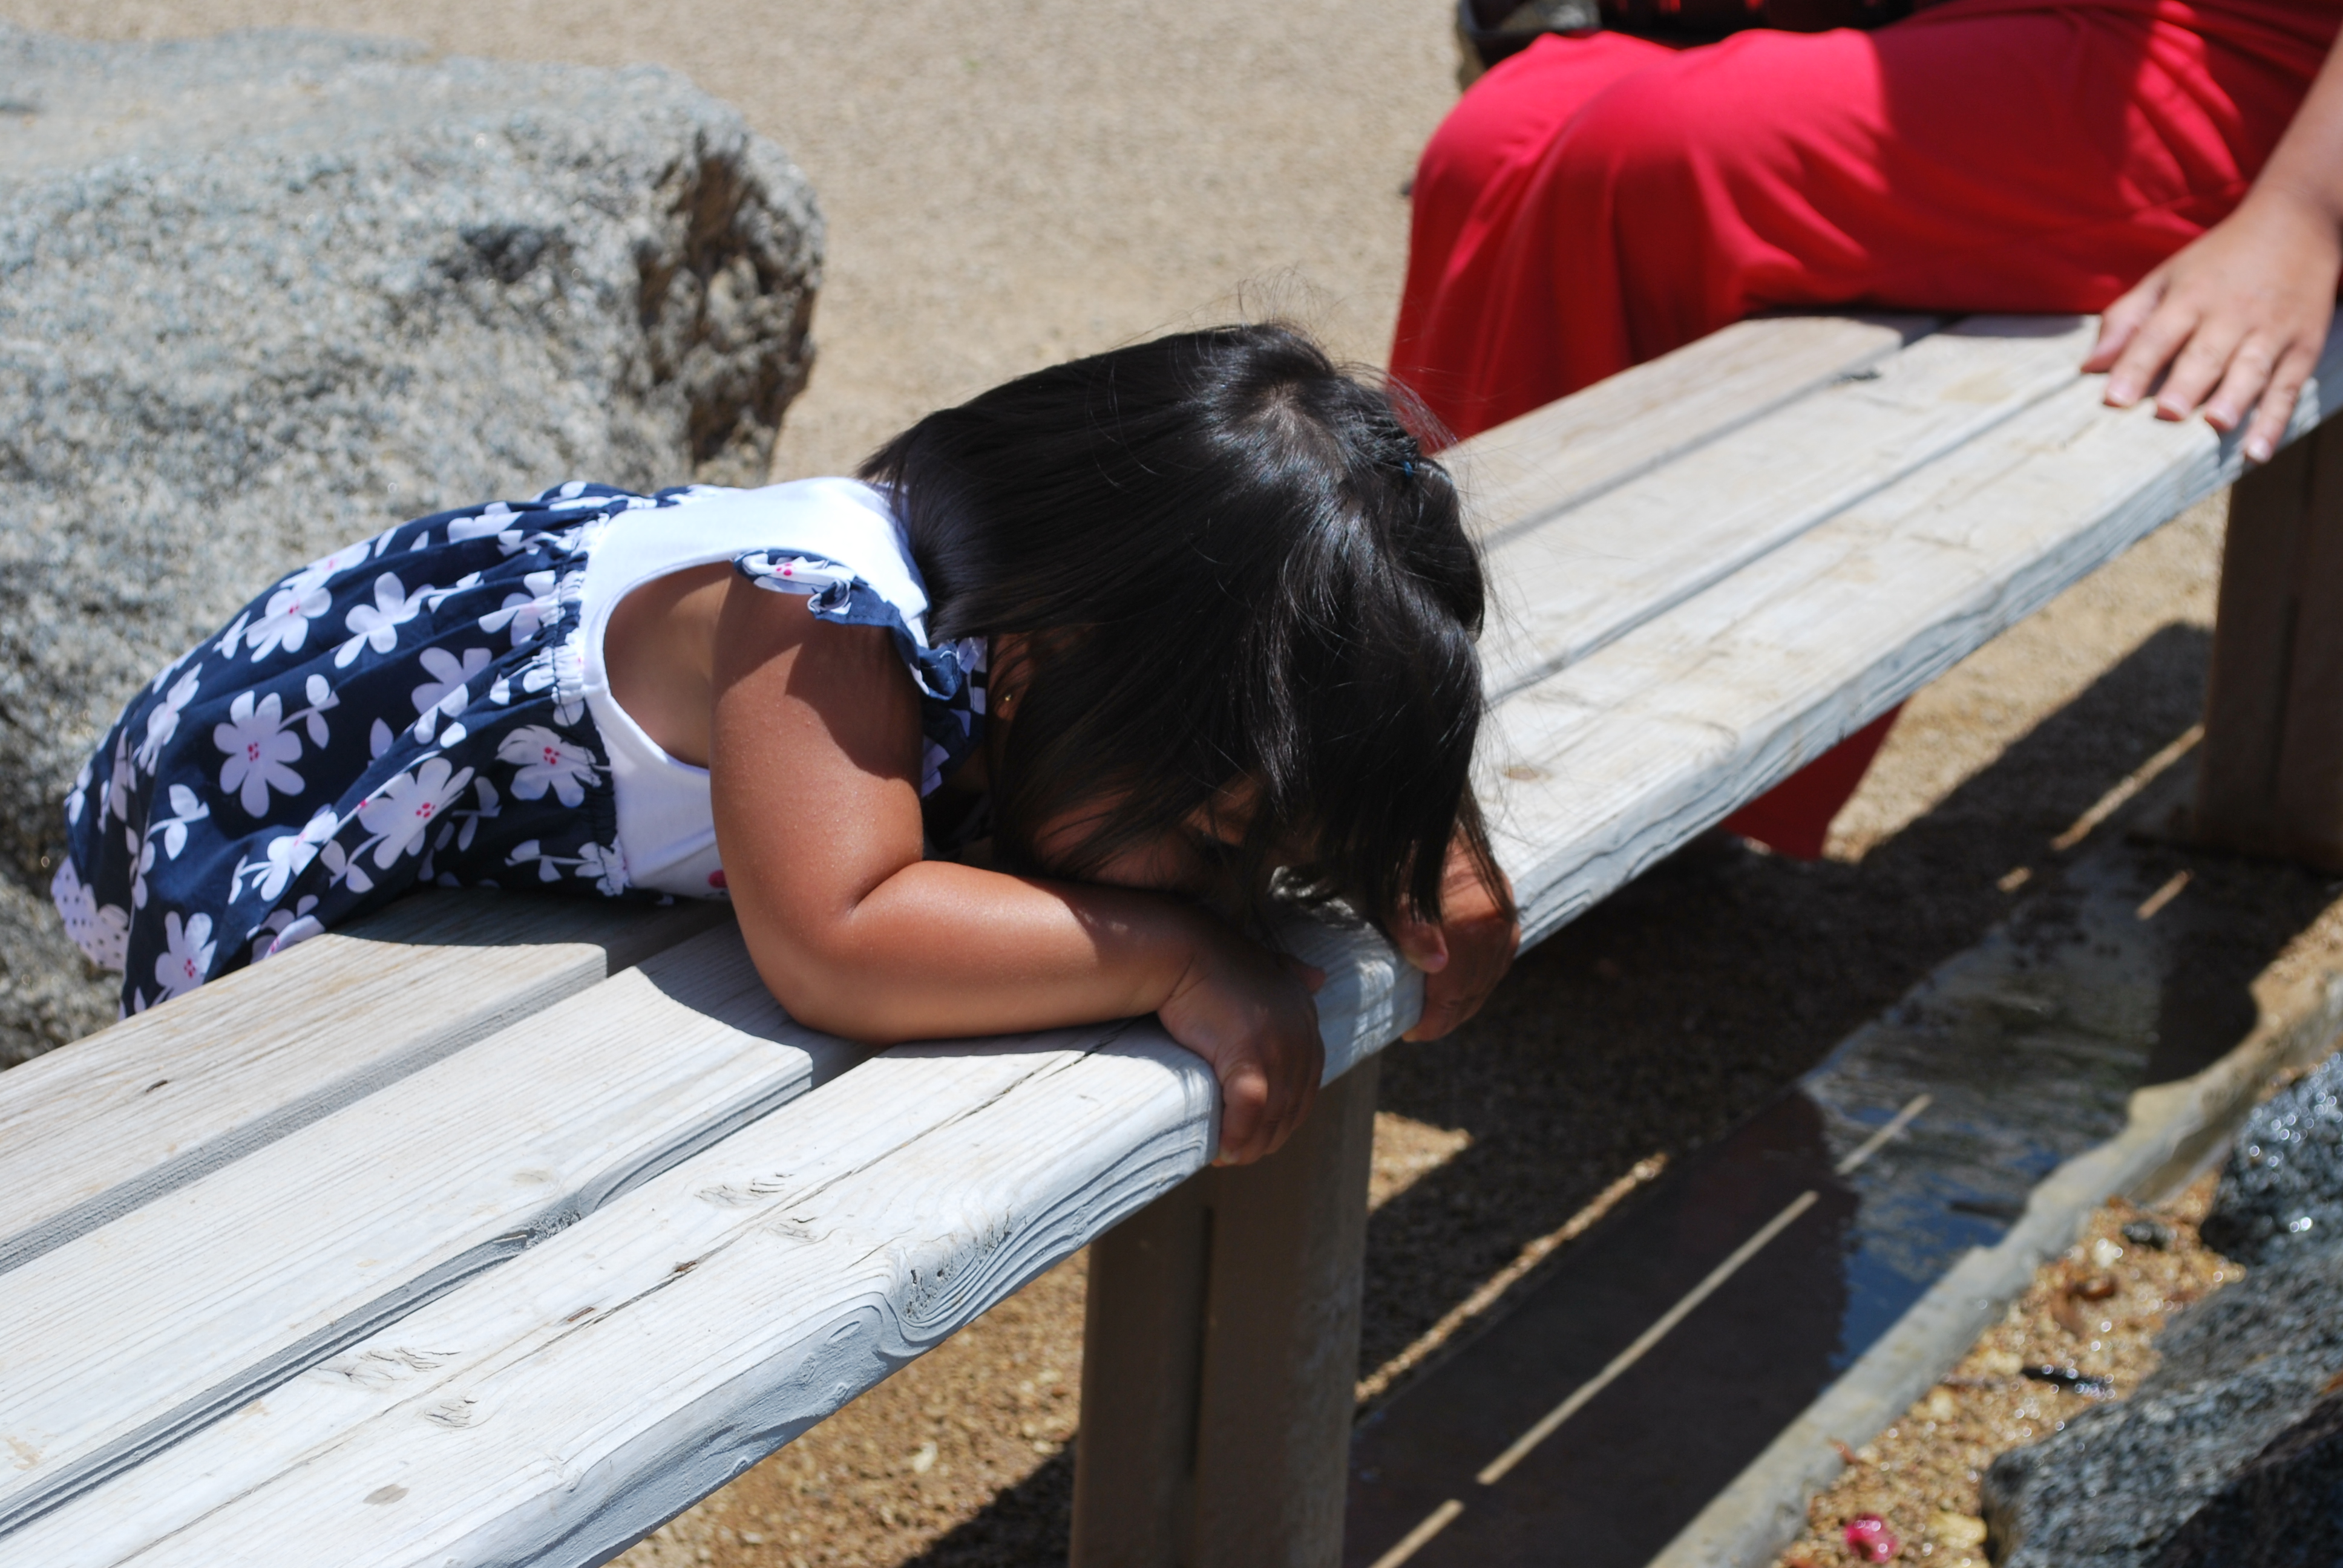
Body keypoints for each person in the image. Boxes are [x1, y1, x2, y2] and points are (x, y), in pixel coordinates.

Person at [50, 324, 1520, 1165]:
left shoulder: (1080, 626)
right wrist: (1181, 958)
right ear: (1032, 663)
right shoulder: (816, 617)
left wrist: (1413, 845)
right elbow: (842, 934)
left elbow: (1285, 710)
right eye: (1210, 837)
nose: (1231, 882)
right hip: (286, 790)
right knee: (250, 1161)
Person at [1397, 0, 2343, 856]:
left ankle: (1494, 785)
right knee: (1497, 138)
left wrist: (2307, 215)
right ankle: (1398, 698)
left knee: (1651, 158)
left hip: (2257, 65)